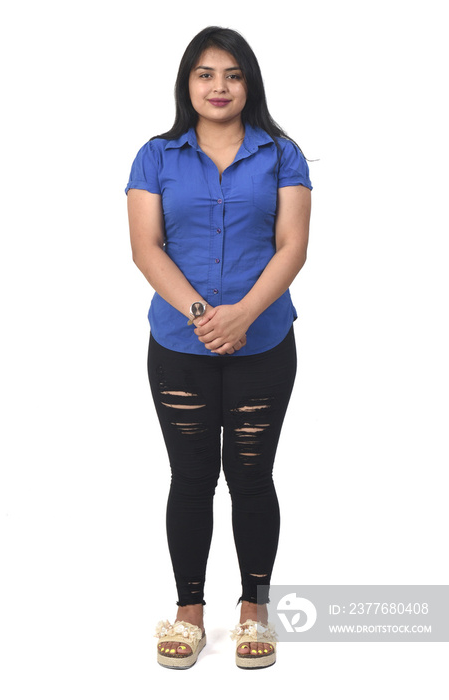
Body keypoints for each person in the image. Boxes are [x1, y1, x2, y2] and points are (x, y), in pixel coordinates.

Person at [125, 26, 312, 669]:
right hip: (180, 344)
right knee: (192, 478)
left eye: (231, 74)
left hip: (264, 343)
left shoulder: (283, 154)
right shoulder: (155, 156)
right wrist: (207, 316)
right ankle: (189, 613)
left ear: (249, 82)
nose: (219, 87)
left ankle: (254, 609)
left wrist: (245, 315)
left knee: (252, 478)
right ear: (187, 83)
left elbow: (293, 246)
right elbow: (145, 247)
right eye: (205, 74)